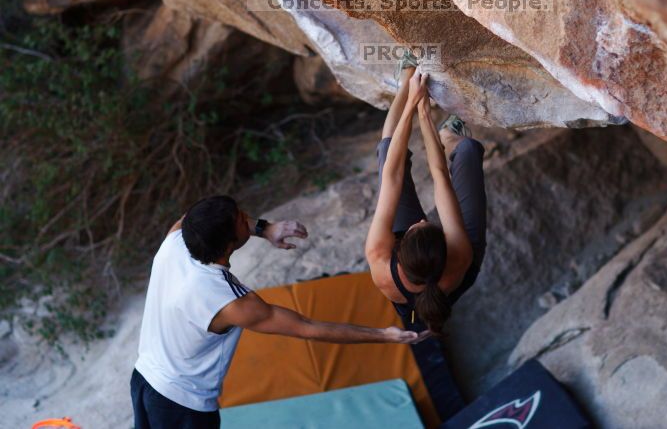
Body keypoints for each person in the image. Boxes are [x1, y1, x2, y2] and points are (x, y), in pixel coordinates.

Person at [131, 195, 427, 429]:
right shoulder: (229, 302)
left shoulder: (177, 240)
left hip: (144, 380)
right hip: (181, 407)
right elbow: (307, 327)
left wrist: (265, 228)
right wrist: (385, 334)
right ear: (229, 242)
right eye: (241, 219)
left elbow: (195, 214)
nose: (246, 217)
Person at [365, 56, 487, 335]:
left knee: (386, 153)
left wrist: (413, 102)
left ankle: (406, 77)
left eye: (415, 227)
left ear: (399, 245)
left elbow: (392, 176)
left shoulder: (379, 257)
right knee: (467, 150)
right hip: (461, 268)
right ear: (446, 241)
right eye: (426, 223)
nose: (420, 219)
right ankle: (450, 137)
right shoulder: (459, 254)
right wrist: (423, 114)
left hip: (421, 272)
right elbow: (439, 174)